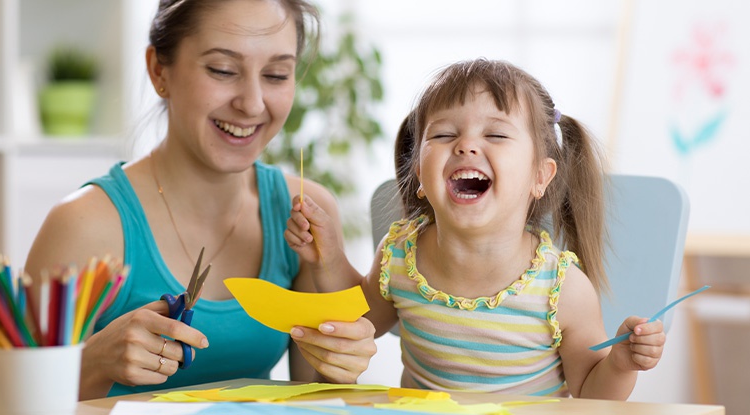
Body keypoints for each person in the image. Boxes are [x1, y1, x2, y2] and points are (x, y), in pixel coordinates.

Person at [25, 0, 376, 400]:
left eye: (277, 74)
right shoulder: (84, 224)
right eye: (223, 70)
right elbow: (14, 406)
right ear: (160, 70)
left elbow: (317, 401)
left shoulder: (304, 213)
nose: (252, 103)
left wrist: (340, 358)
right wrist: (94, 362)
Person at [285, 58, 666, 399]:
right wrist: (328, 256)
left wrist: (620, 364)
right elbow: (361, 322)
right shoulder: (400, 254)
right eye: (444, 134)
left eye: (496, 135)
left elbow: (591, 393)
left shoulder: (561, 288)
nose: (466, 145)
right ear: (419, 172)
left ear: (540, 175)